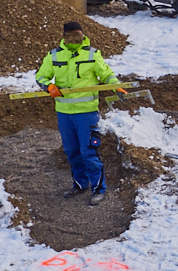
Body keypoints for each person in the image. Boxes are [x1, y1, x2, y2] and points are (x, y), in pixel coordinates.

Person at [35, 21, 125, 206]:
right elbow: (40, 76)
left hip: (87, 113)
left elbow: (107, 75)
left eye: (77, 34)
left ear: (82, 35)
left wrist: (117, 87)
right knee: (72, 151)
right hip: (64, 114)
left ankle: (98, 189)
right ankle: (80, 184)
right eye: (70, 35)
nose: (74, 38)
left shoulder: (92, 54)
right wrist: (49, 86)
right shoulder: (54, 56)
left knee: (89, 152)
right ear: (64, 36)